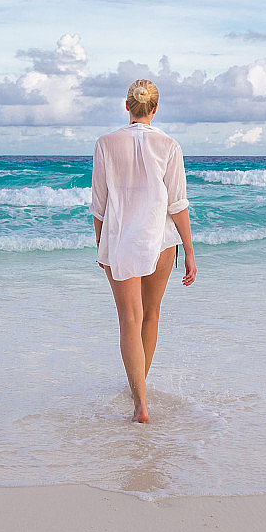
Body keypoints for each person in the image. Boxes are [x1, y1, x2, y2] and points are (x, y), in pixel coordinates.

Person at [89, 79, 196, 423]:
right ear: (154, 109)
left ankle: (140, 402)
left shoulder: (105, 144)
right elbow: (177, 204)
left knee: (129, 321)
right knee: (151, 315)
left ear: (126, 106)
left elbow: (100, 206)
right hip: (161, 241)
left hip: (119, 240)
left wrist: (100, 246)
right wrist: (190, 252)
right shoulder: (169, 145)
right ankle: (140, 390)